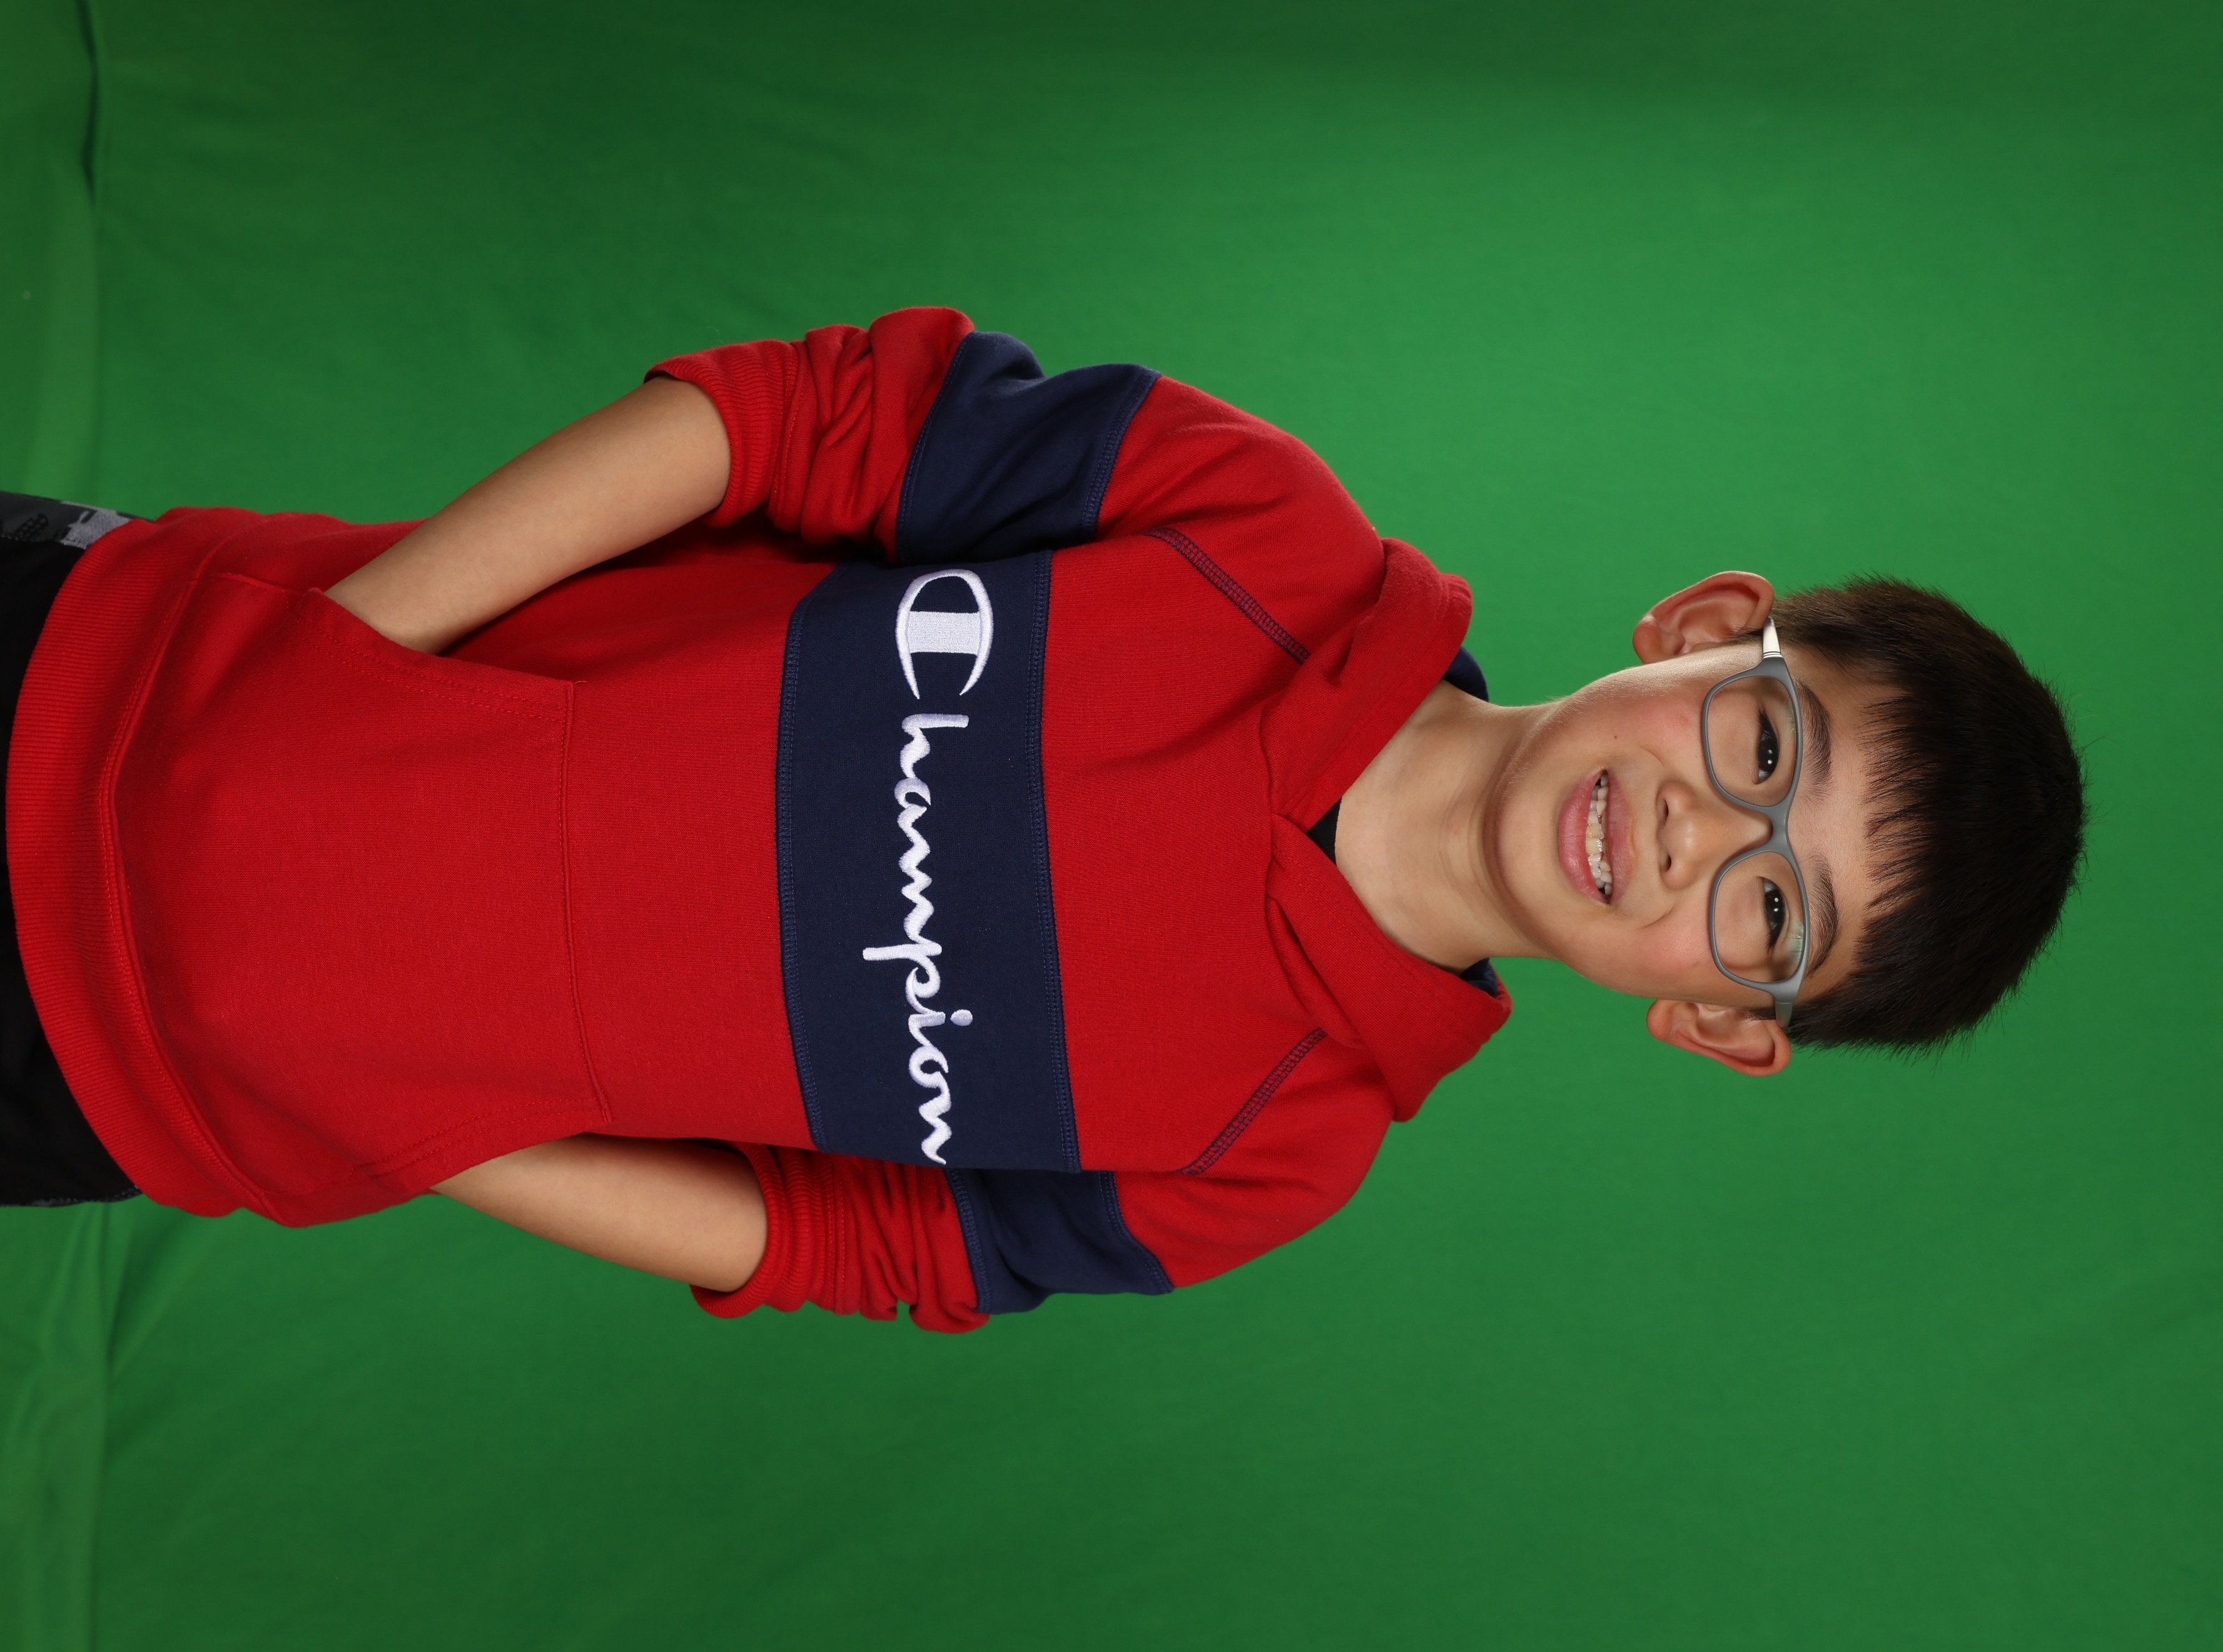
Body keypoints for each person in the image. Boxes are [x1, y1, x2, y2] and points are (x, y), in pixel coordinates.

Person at [2, 308, 2085, 1330]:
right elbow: (794, 419)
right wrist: (339, 655)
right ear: (1707, 631)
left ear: (1720, 1021)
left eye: (1775, 917)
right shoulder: (1255, 532)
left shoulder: (1267, 1155)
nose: (1704, 836)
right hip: (104, 663)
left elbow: (849, 1245)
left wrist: (405, 1106)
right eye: (1764, 750)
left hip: (118, 1087)